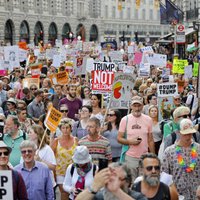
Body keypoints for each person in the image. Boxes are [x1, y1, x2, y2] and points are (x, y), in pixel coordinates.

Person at [117, 96, 155, 181]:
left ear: (142, 106)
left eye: (139, 106)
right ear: (131, 106)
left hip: (144, 157)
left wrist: (153, 156)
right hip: (130, 157)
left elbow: (150, 140)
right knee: (131, 184)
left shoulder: (148, 119)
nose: (137, 108)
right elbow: (119, 138)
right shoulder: (125, 120)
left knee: (145, 183)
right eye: (135, 106)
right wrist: (131, 141)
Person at [162, 118, 200, 199]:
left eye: (190, 133)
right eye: (185, 134)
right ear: (178, 132)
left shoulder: (198, 149)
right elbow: (164, 176)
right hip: (178, 195)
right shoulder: (169, 151)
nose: (188, 137)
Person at [76, 162, 147, 200]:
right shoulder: (99, 196)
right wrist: (94, 187)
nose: (110, 182)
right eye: (108, 177)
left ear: (127, 182)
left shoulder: (137, 197)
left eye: (115, 178)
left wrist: (117, 191)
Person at [51, 118, 78, 200]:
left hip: (73, 171)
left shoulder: (75, 140)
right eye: (63, 128)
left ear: (71, 128)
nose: (65, 130)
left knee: (73, 192)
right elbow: (51, 156)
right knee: (63, 191)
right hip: (60, 171)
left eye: (67, 127)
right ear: (60, 129)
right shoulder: (56, 141)